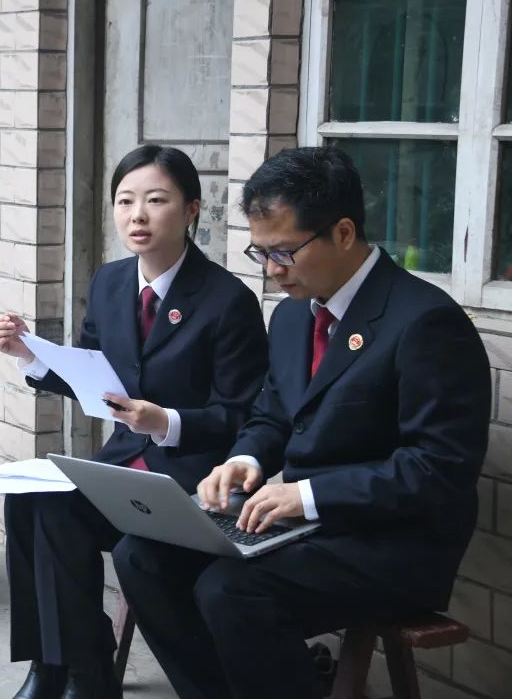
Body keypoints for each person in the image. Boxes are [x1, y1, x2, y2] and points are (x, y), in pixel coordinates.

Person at [112, 146, 491, 699]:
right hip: (302, 526)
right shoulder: (294, 315)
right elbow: (273, 413)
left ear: (343, 233)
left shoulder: (426, 323)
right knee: (142, 556)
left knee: (231, 590)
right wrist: (244, 460)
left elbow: (437, 471)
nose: (271, 271)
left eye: (284, 252)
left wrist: (305, 495)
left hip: (391, 542)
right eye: (261, 253)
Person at [0, 145, 269, 699]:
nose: (137, 215)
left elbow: (241, 415)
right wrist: (31, 356)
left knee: (63, 518)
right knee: (30, 501)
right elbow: (94, 374)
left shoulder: (228, 300)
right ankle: (59, 667)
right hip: (124, 468)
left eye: (156, 200)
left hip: (190, 481)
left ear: (191, 210)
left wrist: (166, 421)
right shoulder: (111, 282)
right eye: (125, 201)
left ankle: (83, 673)